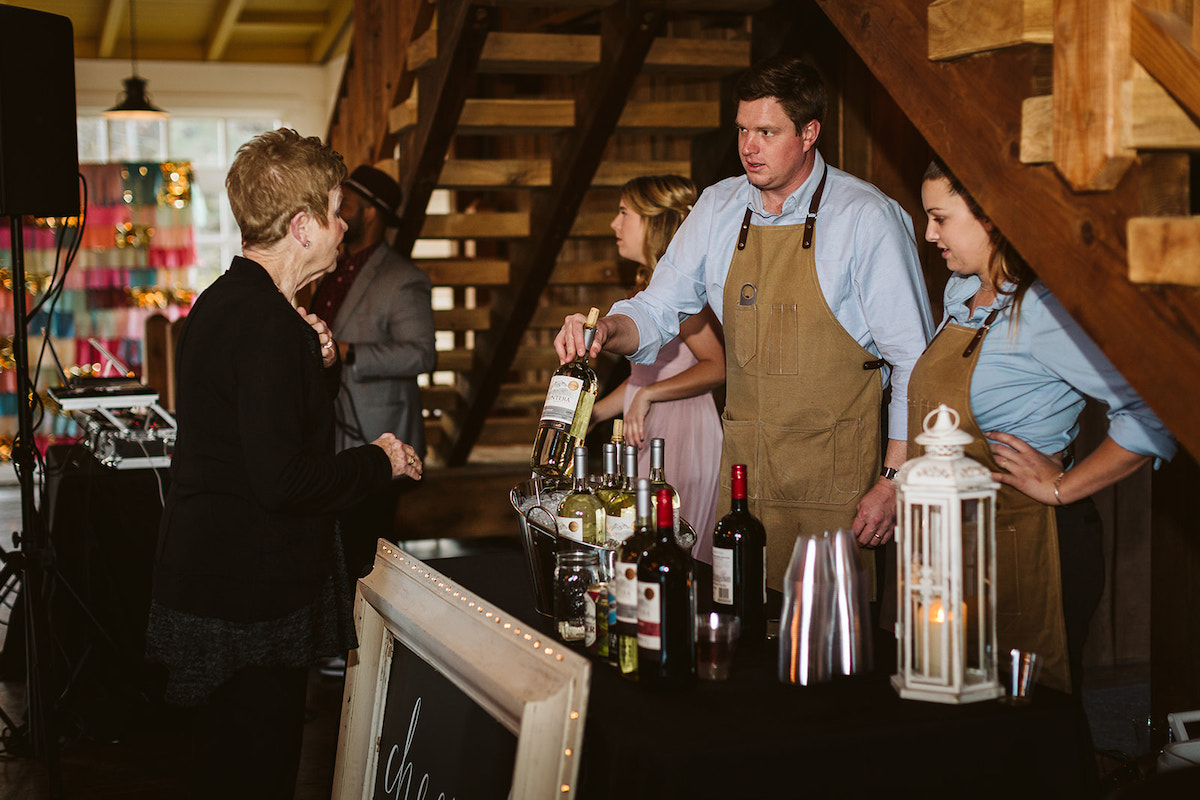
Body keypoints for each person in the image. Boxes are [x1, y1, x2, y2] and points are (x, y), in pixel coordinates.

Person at [555, 57, 933, 590]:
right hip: (742, 479)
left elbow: (914, 361)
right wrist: (606, 332)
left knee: (824, 643)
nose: (748, 147)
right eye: (742, 130)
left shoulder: (865, 217)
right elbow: (658, 308)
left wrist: (894, 480)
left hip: (834, 484)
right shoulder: (718, 207)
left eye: (767, 132)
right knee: (744, 633)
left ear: (809, 133)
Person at [145, 128, 423, 799]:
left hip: (218, 583)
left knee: (228, 770)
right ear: (301, 227)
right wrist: (379, 463)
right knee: (253, 774)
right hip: (246, 601)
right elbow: (283, 479)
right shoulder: (269, 324)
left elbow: (259, 434)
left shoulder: (227, 303)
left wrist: (321, 368)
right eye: (333, 211)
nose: (344, 224)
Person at [911, 156, 1175, 694]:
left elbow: (1154, 410)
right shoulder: (962, 294)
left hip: (1030, 542)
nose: (928, 232)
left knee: (1030, 724)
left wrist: (1061, 487)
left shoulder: (1041, 309)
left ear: (989, 218)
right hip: (955, 544)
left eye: (940, 217)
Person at [309, 164, 436, 584]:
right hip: (331, 433)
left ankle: (371, 642)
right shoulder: (329, 267)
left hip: (378, 430)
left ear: (372, 213)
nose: (339, 211)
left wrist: (348, 353)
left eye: (348, 203)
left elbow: (421, 355)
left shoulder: (403, 279)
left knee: (370, 551)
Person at [589, 175, 725, 560]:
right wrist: (596, 413)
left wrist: (648, 396)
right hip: (652, 426)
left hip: (684, 431)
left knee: (673, 550)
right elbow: (642, 378)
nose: (614, 225)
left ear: (655, 222)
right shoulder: (648, 289)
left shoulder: (678, 295)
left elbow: (717, 366)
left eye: (623, 213)